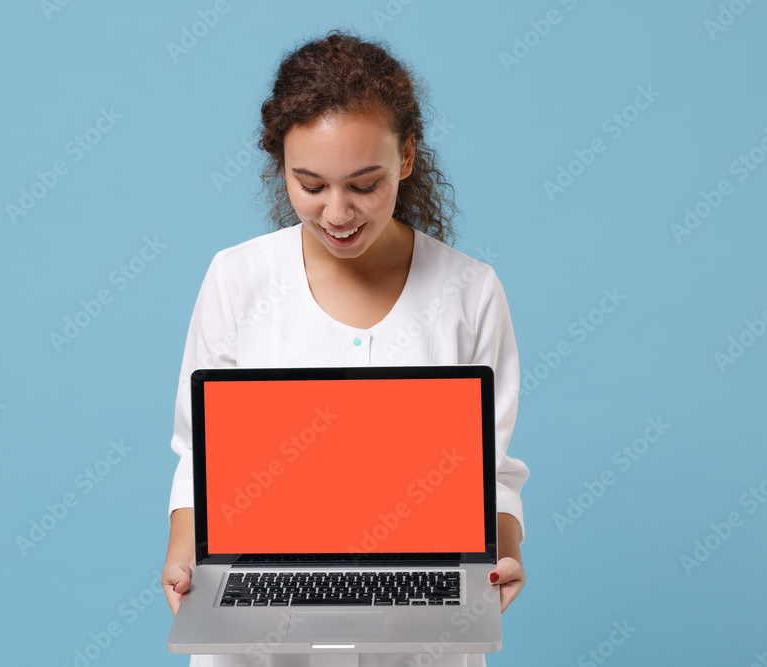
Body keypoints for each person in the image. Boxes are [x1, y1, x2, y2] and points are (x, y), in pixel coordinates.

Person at [162, 29, 529, 667]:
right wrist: (184, 550)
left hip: (419, 614)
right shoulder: (236, 278)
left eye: (365, 184)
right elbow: (200, 453)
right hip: (262, 608)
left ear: (407, 158)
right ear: (282, 166)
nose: (337, 212)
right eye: (310, 184)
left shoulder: (471, 291)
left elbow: (489, 468)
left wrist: (505, 553)